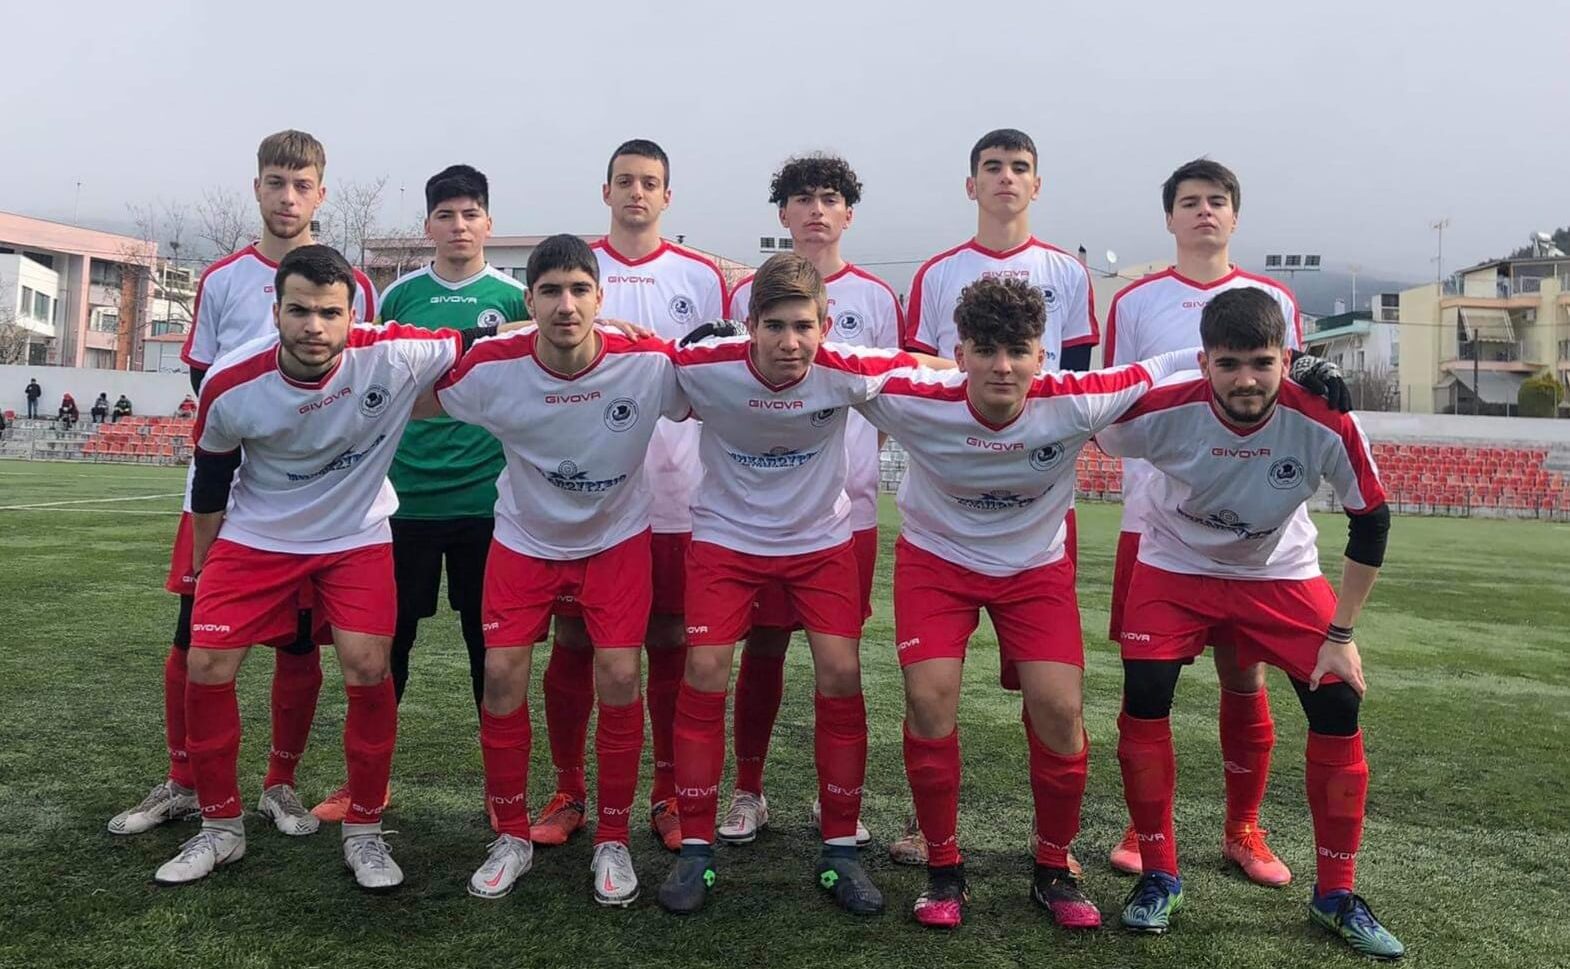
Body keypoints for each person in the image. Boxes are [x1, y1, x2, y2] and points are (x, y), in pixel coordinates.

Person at [855, 277, 1208, 930]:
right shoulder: (914, 398)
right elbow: (829, 361)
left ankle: (1052, 868)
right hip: (936, 561)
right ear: (959, 355)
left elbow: (1165, 365)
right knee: (929, 699)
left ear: (1041, 356)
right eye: (985, 349)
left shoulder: (1076, 400)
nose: (1002, 365)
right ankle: (943, 867)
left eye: (1018, 350)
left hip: (1033, 569)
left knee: (1060, 708)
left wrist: (1296, 370)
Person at [152, 244, 501, 891]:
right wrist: (206, 569)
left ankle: (365, 830)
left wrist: (599, 328)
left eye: (330, 312)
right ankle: (221, 826)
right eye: (300, 311)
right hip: (258, 534)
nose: (314, 326)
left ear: (352, 315)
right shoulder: (231, 380)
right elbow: (211, 482)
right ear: (277, 312)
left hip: (354, 534)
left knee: (368, 667)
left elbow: (488, 338)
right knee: (206, 663)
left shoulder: (393, 352)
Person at [1097, 287, 1404, 960]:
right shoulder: (1165, 407)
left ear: (1286, 360)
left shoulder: (1324, 417)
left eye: (1262, 362)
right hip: (1175, 563)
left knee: (1338, 700)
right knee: (1145, 697)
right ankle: (1159, 875)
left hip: (1279, 571)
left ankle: (1336, 894)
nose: (1245, 380)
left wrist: (1341, 636)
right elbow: (1093, 417)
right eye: (1229, 363)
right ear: (1203, 361)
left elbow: (1372, 519)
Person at [108, 129, 376, 843]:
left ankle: (280, 783)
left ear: (321, 193)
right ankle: (184, 780)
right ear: (257, 187)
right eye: (276, 182)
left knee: (299, 643)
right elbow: (209, 384)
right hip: (225, 491)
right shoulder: (223, 278)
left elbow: (359, 378)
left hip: (312, 501)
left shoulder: (353, 283)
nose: (288, 197)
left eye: (302, 185)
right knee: (192, 633)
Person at [656, 253, 939, 917]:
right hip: (726, 539)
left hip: (818, 544)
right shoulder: (704, 368)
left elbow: (933, 374)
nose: (790, 342)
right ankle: (695, 847)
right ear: (750, 324)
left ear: (825, 326)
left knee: (840, 672)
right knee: (704, 669)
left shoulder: (847, 368)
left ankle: (840, 847)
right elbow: (635, 366)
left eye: (804, 326)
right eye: (776, 326)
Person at [423, 234, 687, 906]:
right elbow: (410, 388)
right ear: (529, 300)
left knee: (620, 673)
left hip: (615, 539)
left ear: (600, 296)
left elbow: (714, 381)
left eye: (578, 290)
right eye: (550, 291)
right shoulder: (494, 366)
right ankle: (511, 835)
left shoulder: (648, 362)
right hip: (525, 538)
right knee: (501, 673)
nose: (566, 305)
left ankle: (613, 838)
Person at [891, 126, 1101, 863]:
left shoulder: (1067, 273)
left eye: (1019, 167)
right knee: (931, 691)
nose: (1006, 177)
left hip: (1037, 514)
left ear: (1036, 184)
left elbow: (1076, 385)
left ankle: (1054, 845)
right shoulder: (938, 274)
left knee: (1051, 697)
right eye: (992, 166)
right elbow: (915, 383)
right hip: (949, 506)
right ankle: (929, 829)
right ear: (971, 183)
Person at [1102, 158, 1306, 882]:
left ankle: (1243, 827)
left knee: (1243, 676)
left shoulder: (1274, 297)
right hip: (1155, 521)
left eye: (1217, 200)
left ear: (1235, 215)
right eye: (1189, 201)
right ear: (1170, 217)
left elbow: (1291, 401)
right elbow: (1114, 399)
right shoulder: (1135, 301)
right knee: (1148, 683)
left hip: (1250, 528)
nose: (1204, 212)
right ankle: (1143, 825)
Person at [310, 164, 528, 824]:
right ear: (428, 225)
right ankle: (366, 787)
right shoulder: (399, 296)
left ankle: (502, 792)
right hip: (403, 501)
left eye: (470, 214)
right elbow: (370, 375)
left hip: (486, 503)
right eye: (446, 215)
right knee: (384, 651)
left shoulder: (516, 300)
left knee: (491, 654)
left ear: (489, 222)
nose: (459, 226)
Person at [532, 139, 727, 853]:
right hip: (587, 495)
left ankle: (668, 793)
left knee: (670, 638)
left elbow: (713, 372)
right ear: (606, 191)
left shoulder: (701, 276)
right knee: (575, 638)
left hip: (675, 487)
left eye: (650, 182)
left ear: (667, 196)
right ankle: (569, 790)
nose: (636, 193)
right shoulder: (577, 271)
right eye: (625, 181)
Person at [717, 153, 900, 848]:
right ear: (784, 213)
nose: (816, 210)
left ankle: (837, 804)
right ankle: (748, 790)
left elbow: (890, 397)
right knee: (761, 647)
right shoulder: (747, 294)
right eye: (803, 198)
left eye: (829, 198)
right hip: (760, 512)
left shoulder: (877, 297)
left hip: (845, 513)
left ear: (848, 213)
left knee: (838, 659)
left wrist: (855, 467)